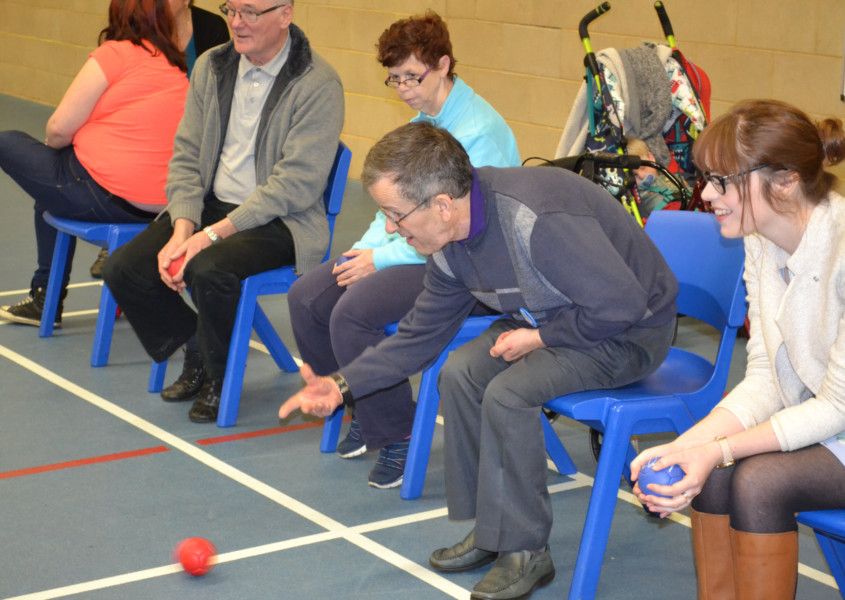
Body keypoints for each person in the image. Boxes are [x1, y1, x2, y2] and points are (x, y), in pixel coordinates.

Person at [279, 122, 678, 600]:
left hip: (629, 333)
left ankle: (527, 550)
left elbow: (622, 306)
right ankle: (495, 532)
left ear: (442, 205)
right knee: (460, 372)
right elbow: (417, 338)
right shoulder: (450, 244)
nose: (389, 228)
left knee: (510, 393)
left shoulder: (535, 220)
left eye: (394, 214)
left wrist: (540, 337)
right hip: (553, 319)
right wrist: (341, 385)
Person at [286, 11, 520, 490]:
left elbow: (451, 227)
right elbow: (392, 206)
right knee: (308, 296)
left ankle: (398, 432)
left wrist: (383, 259)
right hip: (417, 249)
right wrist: (364, 251)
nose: (404, 88)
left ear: (444, 64)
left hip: (468, 267)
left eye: (413, 76)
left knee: (352, 313)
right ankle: (361, 406)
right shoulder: (424, 123)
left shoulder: (478, 131)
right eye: (394, 79)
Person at [629, 99, 845, 600]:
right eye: (708, 179)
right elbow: (769, 377)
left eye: (723, 182)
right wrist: (690, 447)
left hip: (836, 420)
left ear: (786, 180)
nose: (706, 195)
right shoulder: (763, 238)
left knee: (757, 481)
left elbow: (836, 407)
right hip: (830, 427)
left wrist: (715, 450)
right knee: (717, 479)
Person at [102, 0, 344, 423]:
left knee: (208, 269)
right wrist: (183, 228)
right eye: (231, 9)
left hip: (282, 220)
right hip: (214, 206)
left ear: (285, 14)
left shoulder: (317, 82)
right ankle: (196, 347)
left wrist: (210, 236)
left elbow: (295, 184)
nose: (236, 22)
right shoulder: (211, 66)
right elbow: (187, 156)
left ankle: (218, 377)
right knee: (125, 268)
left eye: (251, 12)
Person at [0, 0, 189, 328]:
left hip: (104, 196)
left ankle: (46, 296)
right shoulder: (175, 69)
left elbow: (58, 129)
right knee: (48, 187)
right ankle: (45, 295)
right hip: (162, 210)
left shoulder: (115, 54)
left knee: (11, 142)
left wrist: (61, 148)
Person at [88, 0, 230, 280]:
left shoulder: (211, 28)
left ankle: (130, 251)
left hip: (191, 143)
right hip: (142, 139)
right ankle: (45, 292)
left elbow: (219, 99)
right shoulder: (139, 23)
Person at [626, 137, 688, 218]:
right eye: (634, 175)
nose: (641, 176)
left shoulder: (676, 179)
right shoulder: (634, 201)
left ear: (651, 157)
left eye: (643, 167)